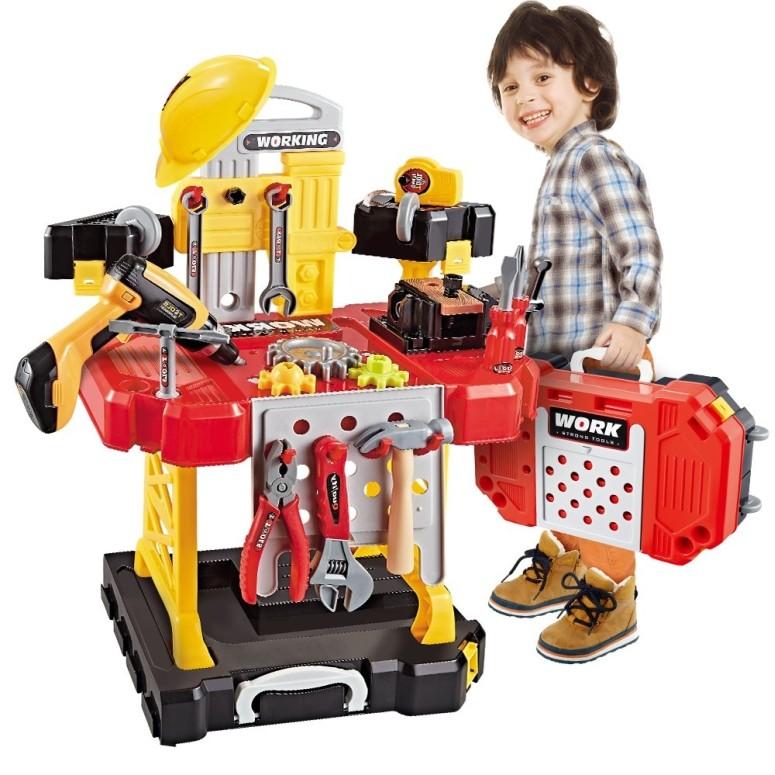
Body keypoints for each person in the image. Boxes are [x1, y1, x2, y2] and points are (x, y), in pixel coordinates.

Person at [485, 2, 662, 662]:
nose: (523, 97)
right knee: (560, 467)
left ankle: (611, 592)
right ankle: (563, 556)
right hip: (558, 357)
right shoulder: (560, 163)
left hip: (600, 361)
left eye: (541, 78)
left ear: (588, 83)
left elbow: (640, 248)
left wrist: (633, 321)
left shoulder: (593, 159)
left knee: (602, 484)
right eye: (509, 86)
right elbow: (554, 267)